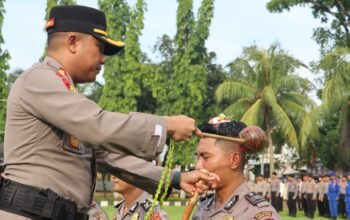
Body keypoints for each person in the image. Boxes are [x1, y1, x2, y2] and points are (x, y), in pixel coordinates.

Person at [0, 5, 220, 220]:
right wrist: (165, 125)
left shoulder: (64, 92)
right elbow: (99, 127)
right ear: (73, 42)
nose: (103, 59)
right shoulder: (39, 79)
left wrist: (175, 178)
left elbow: (107, 154)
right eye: (100, 48)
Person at [192, 116, 279, 219]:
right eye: (197, 157)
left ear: (234, 160)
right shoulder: (204, 205)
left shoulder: (256, 213)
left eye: (205, 157)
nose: (198, 166)